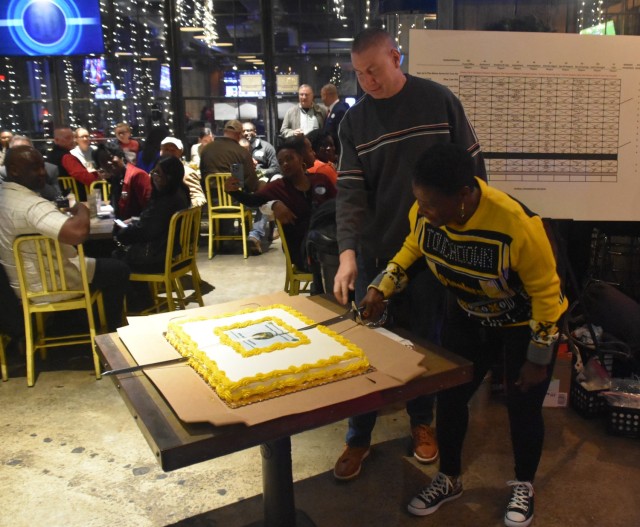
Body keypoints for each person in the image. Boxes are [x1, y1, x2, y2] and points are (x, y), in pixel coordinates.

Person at [360, 143, 568, 527]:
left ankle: (524, 484)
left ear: (463, 196)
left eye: (431, 204)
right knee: (451, 398)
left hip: (522, 325)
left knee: (523, 408)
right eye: (418, 201)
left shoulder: (516, 225)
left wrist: (538, 356)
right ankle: (449, 477)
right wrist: (382, 285)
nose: (423, 210)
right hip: (468, 316)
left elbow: (546, 291)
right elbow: (413, 247)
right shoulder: (426, 212)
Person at [332, 28, 486, 482]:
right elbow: (350, 195)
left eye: (374, 70)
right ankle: (358, 436)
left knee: (424, 344)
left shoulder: (440, 101)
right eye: (359, 74)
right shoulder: (353, 123)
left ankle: (422, 422)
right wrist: (347, 254)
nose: (367, 82)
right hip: (380, 249)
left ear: (395, 57)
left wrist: (472, 232)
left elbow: (474, 171)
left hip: (435, 251)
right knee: (367, 345)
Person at [0, 145, 130, 332]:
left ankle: (73, 323)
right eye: (35, 167)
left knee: (99, 259)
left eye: (42, 166)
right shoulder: (30, 205)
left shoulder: (5, 197)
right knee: (119, 269)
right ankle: (110, 332)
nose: (43, 172)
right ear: (14, 170)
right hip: (50, 284)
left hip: (21, 284)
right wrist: (82, 210)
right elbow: (77, 234)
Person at [224, 137, 336, 273]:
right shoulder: (278, 186)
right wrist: (234, 192)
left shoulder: (320, 180)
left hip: (329, 242)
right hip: (301, 250)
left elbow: (338, 204)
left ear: (301, 158)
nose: (285, 164)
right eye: (281, 161)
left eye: (289, 158)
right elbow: (253, 201)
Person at [114, 155, 190, 275]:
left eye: (159, 174)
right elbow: (154, 222)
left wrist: (121, 234)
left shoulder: (166, 200)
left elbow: (146, 231)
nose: (155, 177)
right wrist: (134, 220)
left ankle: (138, 293)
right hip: (171, 251)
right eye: (154, 172)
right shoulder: (180, 191)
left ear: (170, 176)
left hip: (156, 256)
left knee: (110, 255)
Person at [94, 143, 151, 220]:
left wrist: (134, 221)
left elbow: (150, 209)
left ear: (120, 156)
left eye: (110, 157)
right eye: (103, 161)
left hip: (136, 228)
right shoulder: (116, 178)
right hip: (122, 225)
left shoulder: (137, 175)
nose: (108, 162)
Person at [47, 127, 102, 200]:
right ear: (57, 140)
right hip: (77, 197)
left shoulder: (50, 156)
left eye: (72, 137)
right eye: (68, 138)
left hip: (59, 195)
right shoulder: (66, 157)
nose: (72, 140)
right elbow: (86, 177)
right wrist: (97, 177)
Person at [0, 135, 61, 201]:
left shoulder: (49, 169)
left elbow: (57, 195)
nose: (23, 154)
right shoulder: (3, 172)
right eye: (17, 151)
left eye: (27, 150)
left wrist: (39, 181)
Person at [160, 136, 206, 208]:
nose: (169, 153)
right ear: (161, 152)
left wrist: (185, 211)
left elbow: (199, 198)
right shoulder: (156, 172)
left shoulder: (187, 173)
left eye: (173, 151)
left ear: (180, 152)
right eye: (166, 149)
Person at [320, 83, 349, 155]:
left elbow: (341, 135)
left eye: (322, 96)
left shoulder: (340, 110)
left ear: (326, 95)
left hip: (338, 151)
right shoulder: (333, 110)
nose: (322, 99)